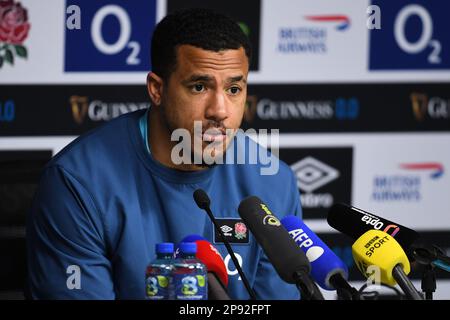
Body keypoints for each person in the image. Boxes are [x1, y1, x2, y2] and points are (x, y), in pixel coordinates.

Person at [26, 8, 302, 299]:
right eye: (199, 86)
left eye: (234, 89)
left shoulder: (274, 182)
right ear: (157, 89)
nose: (220, 111)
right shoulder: (76, 183)